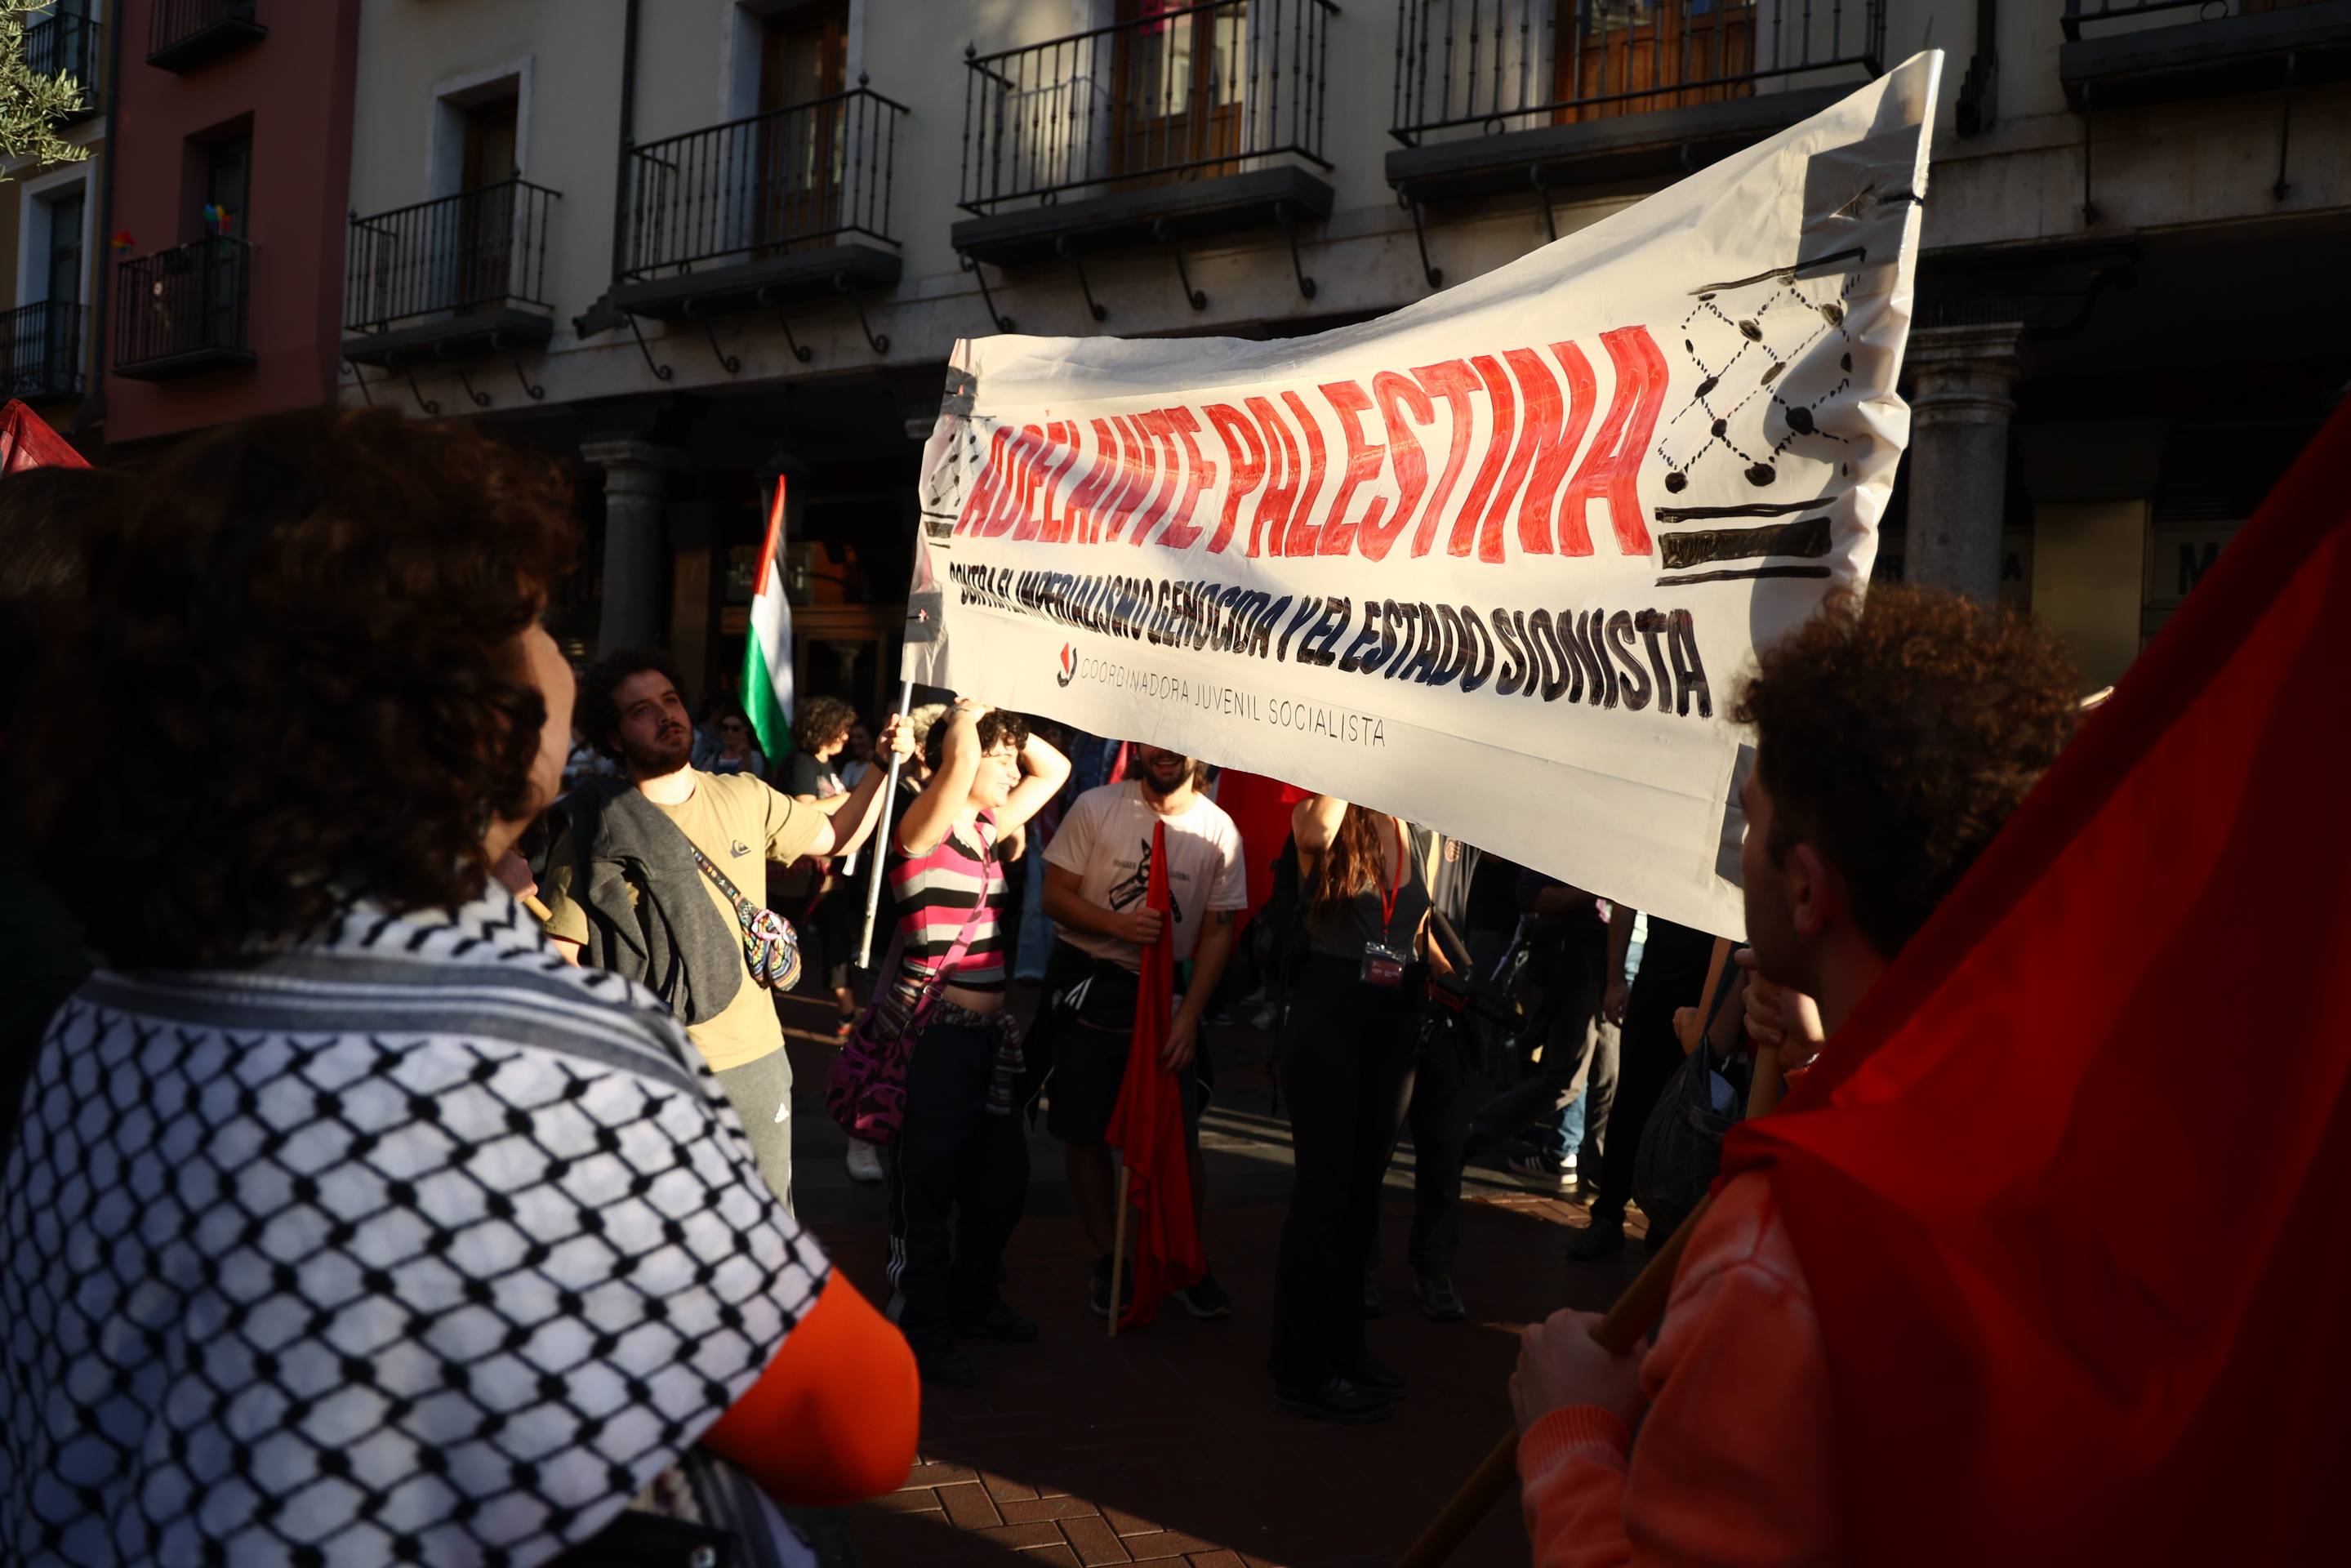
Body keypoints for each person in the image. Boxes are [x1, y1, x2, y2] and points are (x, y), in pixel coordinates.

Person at [0, 408, 919, 1566]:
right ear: (451, 689)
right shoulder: (545, 1051)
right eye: (534, 617)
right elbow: (857, 1429)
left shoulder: (116, 1002)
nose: (564, 658)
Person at [1510, 585, 2079, 1562]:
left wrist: (1566, 1436)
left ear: (1806, 886)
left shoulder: (1775, 1256)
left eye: (1748, 823)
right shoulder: (2047, 1109)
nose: (1737, 856)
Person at [539, 651, 911, 1211]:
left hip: (753, 1061)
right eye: (641, 710)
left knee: (767, 1231)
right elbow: (559, 957)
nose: (666, 715)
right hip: (654, 1070)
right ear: (614, 738)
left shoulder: (741, 795)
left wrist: (883, 764)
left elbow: (836, 835)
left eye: (670, 700)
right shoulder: (593, 827)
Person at [884, 700, 1070, 1389]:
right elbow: (959, 760)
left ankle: (974, 1299)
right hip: (932, 1041)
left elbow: (1055, 769)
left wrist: (1009, 719)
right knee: (926, 1194)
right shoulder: (921, 829)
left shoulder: (987, 828)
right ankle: (920, 1330)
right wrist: (968, 711)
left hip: (989, 1041)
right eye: (997, 758)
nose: (1006, 768)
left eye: (1004, 758)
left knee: (1000, 1183)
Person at [1039, 744, 1247, 1320]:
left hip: (1168, 1000)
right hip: (1089, 981)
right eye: (1154, 740)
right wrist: (1117, 924)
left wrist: (1188, 1016)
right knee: (1084, 1130)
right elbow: (1053, 896)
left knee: (1176, 1133)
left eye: (1180, 743)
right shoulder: (1097, 805)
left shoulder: (1218, 830)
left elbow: (1216, 933)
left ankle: (1184, 1258)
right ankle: (1111, 1258)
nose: (1165, 753)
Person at [1268, 794, 1443, 1423]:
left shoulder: (1412, 817)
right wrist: (1352, 756)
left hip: (1392, 1014)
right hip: (1330, 1007)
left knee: (1362, 1194)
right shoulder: (1329, 803)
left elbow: (1416, 920)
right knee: (1324, 1192)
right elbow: (1311, 837)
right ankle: (1300, 1368)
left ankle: (1345, 1351)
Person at [1567, 908, 1722, 1258]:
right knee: (1632, 1104)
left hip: (1707, 995)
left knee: (1694, 1113)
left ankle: (1662, 1219)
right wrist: (1615, 979)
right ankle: (1608, 1216)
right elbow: (1627, 901)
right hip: (1657, 984)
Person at [1466, 873, 1619, 1188]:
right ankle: (1469, 1136)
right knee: (1567, 1080)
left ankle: (1594, 1168)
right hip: (1583, 956)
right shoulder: (1574, 841)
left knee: (1607, 1076)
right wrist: (1595, 889)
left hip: (1617, 957)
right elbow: (1529, 894)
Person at [839, 719, 876, 788]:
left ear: (871, 740)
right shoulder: (849, 766)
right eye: (853, 737)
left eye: (860, 737)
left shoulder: (876, 767)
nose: (855, 741)